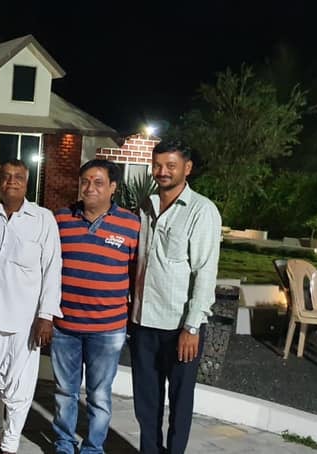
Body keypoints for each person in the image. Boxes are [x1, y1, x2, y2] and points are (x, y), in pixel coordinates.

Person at [0, 159, 62, 454]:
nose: (12, 181)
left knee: (18, 387)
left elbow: (52, 269)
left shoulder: (42, 219)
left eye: (18, 176)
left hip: (24, 320)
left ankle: (9, 443)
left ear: (27, 182)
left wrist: (46, 315)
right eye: (6, 176)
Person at [130, 140, 221, 454]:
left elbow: (205, 272)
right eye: (157, 165)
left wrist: (192, 327)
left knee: (180, 402)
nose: (162, 171)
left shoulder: (202, 210)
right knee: (146, 401)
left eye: (171, 165)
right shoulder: (146, 205)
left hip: (180, 327)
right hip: (143, 322)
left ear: (187, 168)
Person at [51, 159, 140, 454]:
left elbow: (135, 275)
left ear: (113, 187)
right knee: (65, 391)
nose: (90, 188)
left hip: (108, 328)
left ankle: (93, 447)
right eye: (85, 181)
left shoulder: (131, 225)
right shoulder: (61, 219)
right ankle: (64, 444)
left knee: (99, 394)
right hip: (65, 326)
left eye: (98, 182)